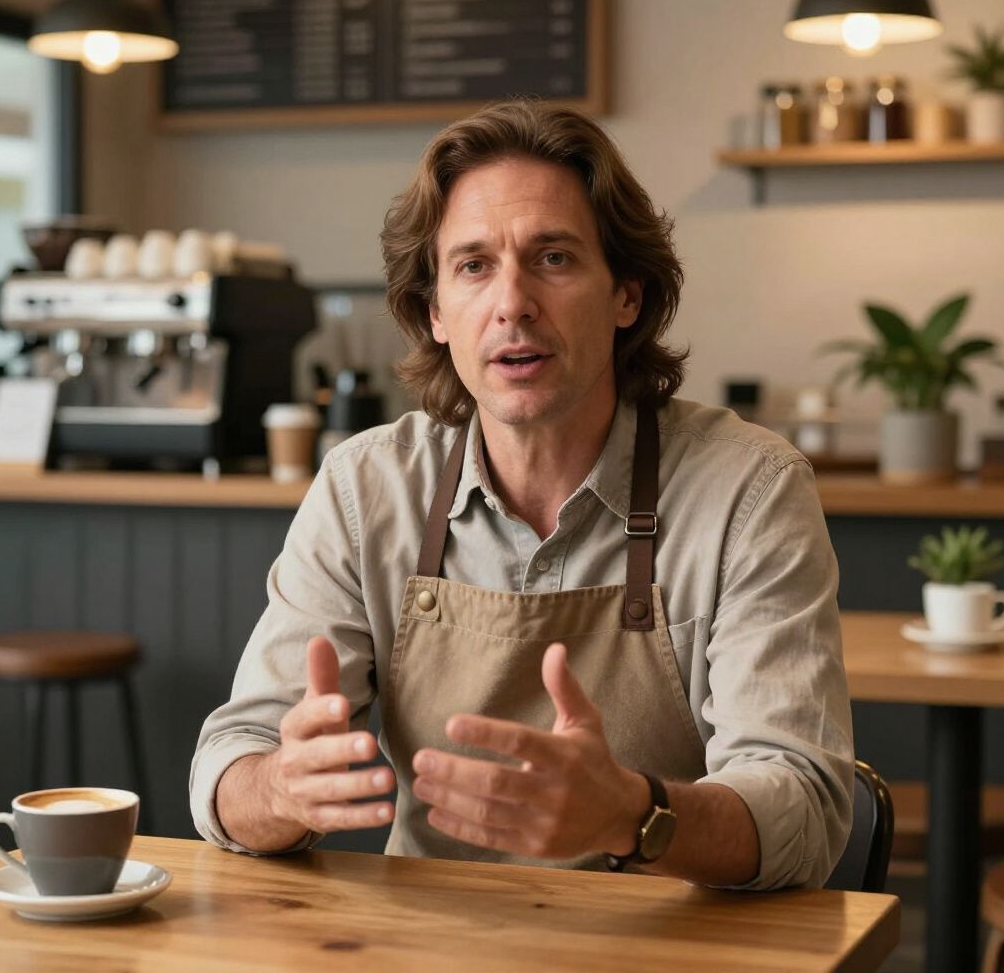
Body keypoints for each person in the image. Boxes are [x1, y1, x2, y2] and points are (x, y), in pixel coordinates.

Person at [191, 99, 853, 889]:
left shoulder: (750, 488)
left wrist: (631, 817)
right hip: (430, 947)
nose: (512, 303)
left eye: (554, 258)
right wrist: (281, 787)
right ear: (435, 312)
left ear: (626, 296)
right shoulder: (365, 488)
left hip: (674, 943)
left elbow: (805, 815)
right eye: (473, 266)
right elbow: (229, 767)